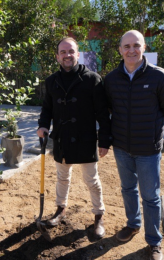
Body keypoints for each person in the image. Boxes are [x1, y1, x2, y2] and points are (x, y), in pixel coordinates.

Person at [37, 37, 112, 239]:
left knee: (92, 180)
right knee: (62, 177)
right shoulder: (51, 81)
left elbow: (103, 114)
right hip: (62, 138)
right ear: (57, 56)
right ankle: (60, 210)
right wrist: (43, 125)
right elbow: (47, 108)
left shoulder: (92, 79)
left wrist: (104, 140)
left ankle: (98, 216)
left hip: (86, 139)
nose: (67, 55)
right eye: (63, 52)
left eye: (71, 51)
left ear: (78, 54)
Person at [104, 30, 164, 260]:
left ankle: (154, 242)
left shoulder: (159, 77)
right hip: (121, 147)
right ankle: (133, 224)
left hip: (148, 149)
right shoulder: (111, 79)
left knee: (150, 196)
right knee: (127, 189)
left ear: (144, 48)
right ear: (120, 50)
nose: (131, 50)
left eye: (136, 45)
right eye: (126, 46)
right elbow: (109, 109)